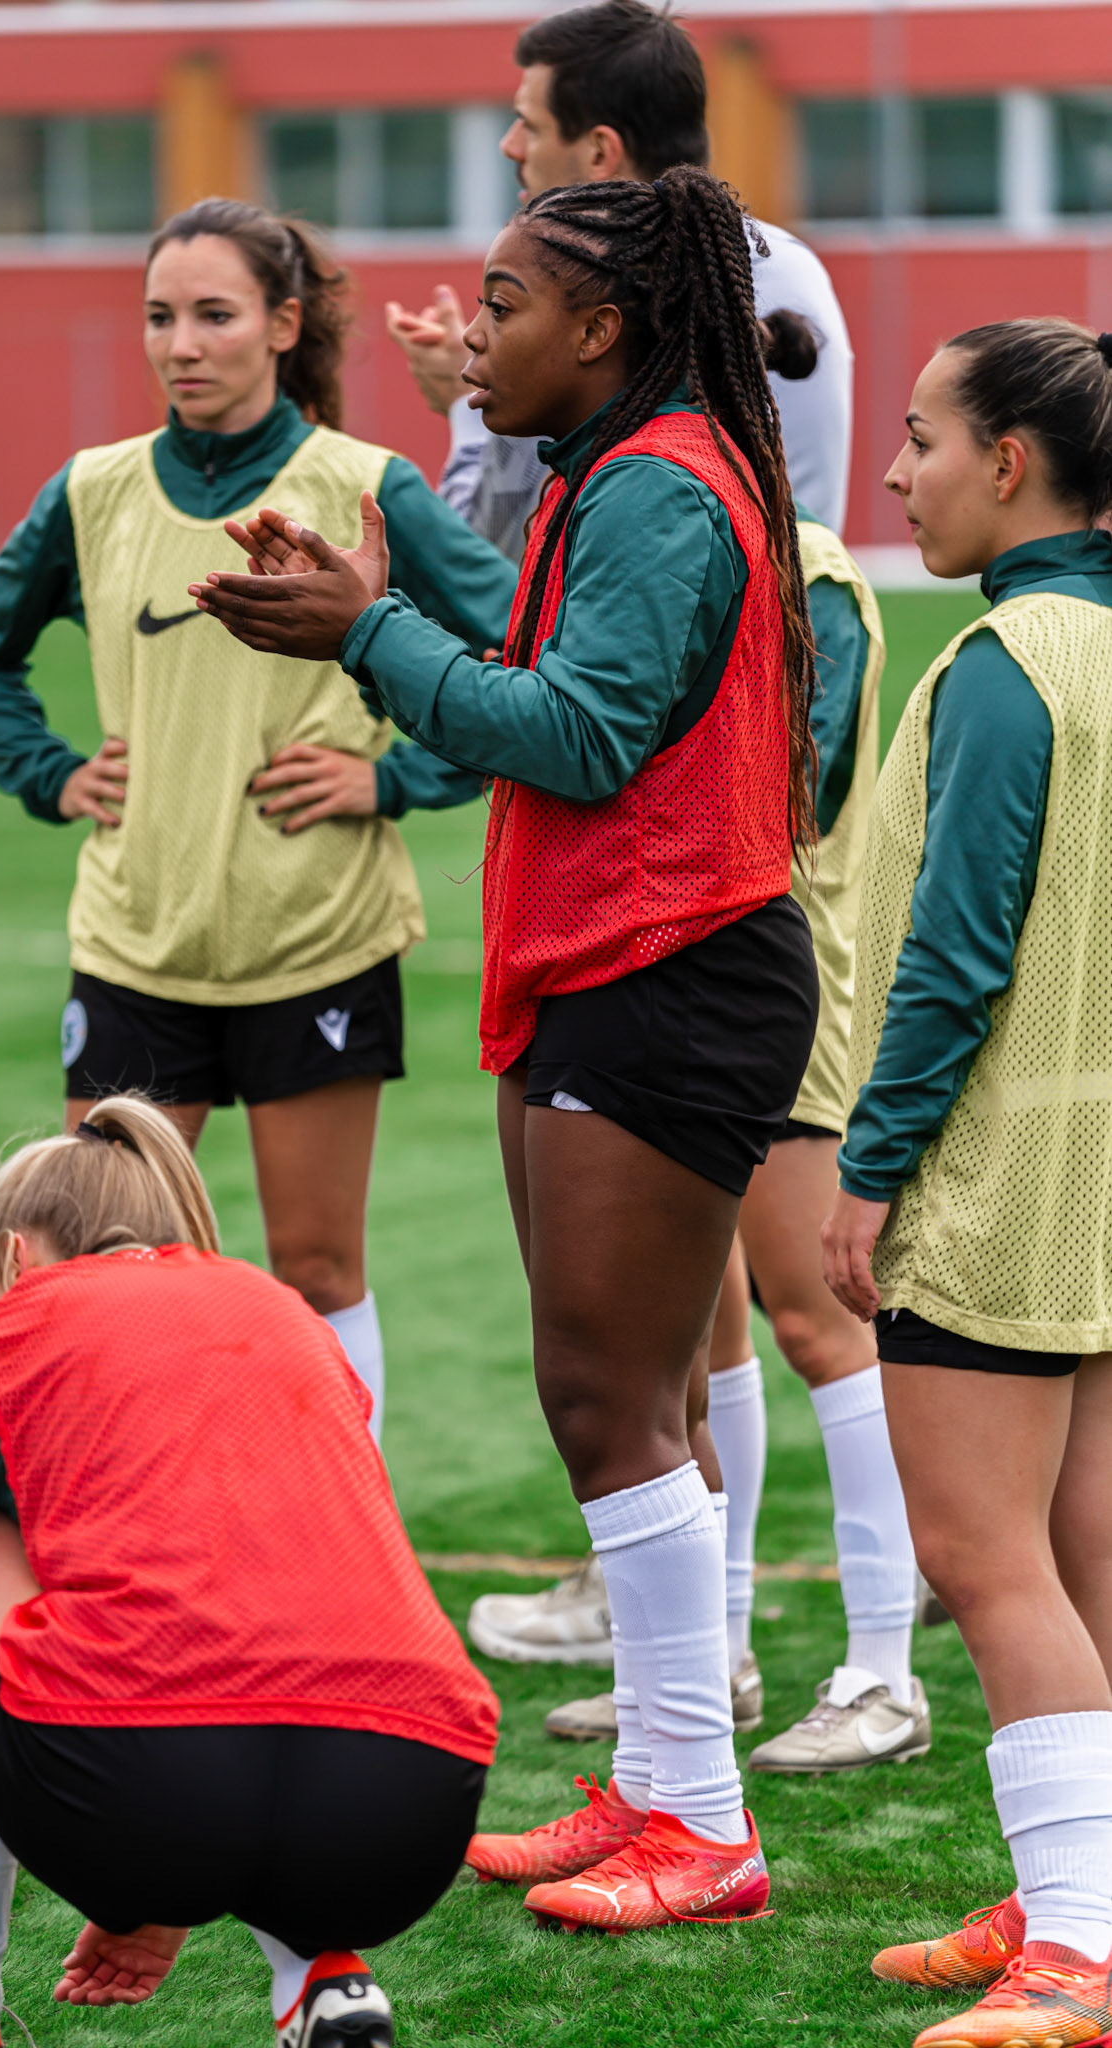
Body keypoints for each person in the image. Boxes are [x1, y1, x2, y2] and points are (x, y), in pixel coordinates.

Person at [195, 167, 820, 1935]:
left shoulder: (662, 489)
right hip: (611, 962)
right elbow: (537, 704)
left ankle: (704, 1817)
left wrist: (368, 636)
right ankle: (668, 1780)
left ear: (607, 328)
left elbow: (579, 735)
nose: (474, 339)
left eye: (510, 303)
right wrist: (373, 610)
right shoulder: (615, 473)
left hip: (670, 969)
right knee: (626, 1397)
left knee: (610, 1399)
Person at [0, 197, 516, 1441]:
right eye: (160, 317)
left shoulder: (364, 488)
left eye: (213, 315)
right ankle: (116, 1535)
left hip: (316, 933)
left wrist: (395, 780)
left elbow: (519, 658)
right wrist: (51, 770)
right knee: (93, 1263)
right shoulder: (93, 490)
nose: (181, 343)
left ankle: (340, 1548)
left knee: (313, 1267)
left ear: (282, 325)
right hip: (138, 936)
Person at [0, 1094, 498, 2048]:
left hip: (136, 1782)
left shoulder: (10, 1336)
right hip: (415, 1807)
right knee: (283, 1580)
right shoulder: (288, 1316)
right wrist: (177, 1876)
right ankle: (319, 1979)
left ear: (17, 1259)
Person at [817, 319, 1112, 2048]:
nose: (894, 469)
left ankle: (1077, 1942)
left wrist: (868, 1167)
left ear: (1011, 461)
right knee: (1083, 1538)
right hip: (1102, 1155)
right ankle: (1080, 1885)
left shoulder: (1007, 664)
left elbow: (952, 958)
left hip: (1003, 1171)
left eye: (920, 436)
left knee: (984, 1551)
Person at [532, 511, 925, 1776]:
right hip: (673, 989)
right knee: (695, 1344)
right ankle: (721, 1648)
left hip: (772, 987)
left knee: (822, 1321)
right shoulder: (658, 519)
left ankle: (886, 1670)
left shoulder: (801, 561)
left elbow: (787, 793)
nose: (896, 470)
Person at [386, 0, 852, 560]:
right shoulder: (785, 264)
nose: (509, 146)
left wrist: (468, 403)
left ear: (601, 150)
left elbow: (487, 556)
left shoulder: (587, 298)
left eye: (530, 125)